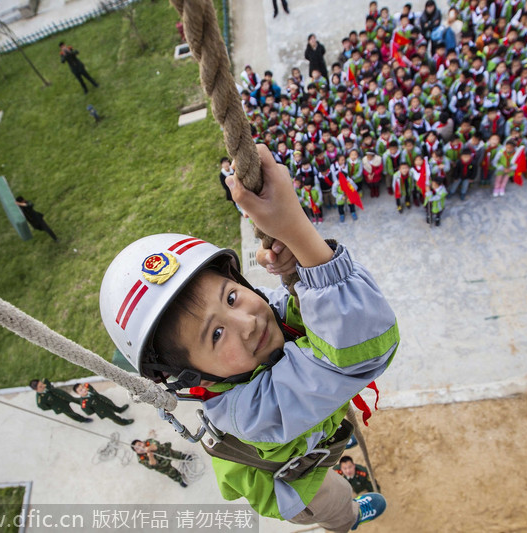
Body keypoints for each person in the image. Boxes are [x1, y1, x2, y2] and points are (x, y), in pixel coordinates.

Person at [99, 145, 397, 532]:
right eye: (217, 333)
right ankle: (349, 520)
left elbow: (295, 316)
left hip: (301, 431)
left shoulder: (254, 330)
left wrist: (297, 274)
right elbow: (359, 352)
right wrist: (297, 231)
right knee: (335, 497)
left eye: (232, 296)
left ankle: (326, 445)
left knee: (327, 418)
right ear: (194, 378)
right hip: (291, 484)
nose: (248, 322)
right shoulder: (251, 414)